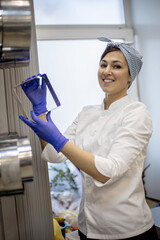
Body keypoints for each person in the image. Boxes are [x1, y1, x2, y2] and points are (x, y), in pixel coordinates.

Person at [19, 38, 158, 240]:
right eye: (103, 65)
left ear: (130, 77)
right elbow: (52, 154)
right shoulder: (87, 113)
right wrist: (41, 110)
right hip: (88, 228)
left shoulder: (137, 113)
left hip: (127, 230)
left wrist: (58, 139)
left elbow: (107, 172)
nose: (107, 71)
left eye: (116, 66)